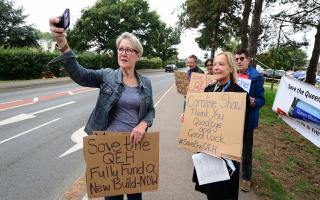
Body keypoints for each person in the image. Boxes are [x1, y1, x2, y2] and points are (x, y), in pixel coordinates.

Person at [49, 17, 155, 200]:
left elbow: (150, 110)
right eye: (120, 49)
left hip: (135, 151)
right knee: (113, 197)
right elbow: (80, 74)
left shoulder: (146, 83)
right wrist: (63, 43)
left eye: (128, 49)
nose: (123, 53)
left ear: (138, 54)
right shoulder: (107, 76)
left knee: (135, 197)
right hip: (109, 150)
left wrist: (143, 124)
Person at [182, 52, 249, 200]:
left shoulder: (240, 95)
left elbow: (242, 131)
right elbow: (200, 120)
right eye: (215, 65)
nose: (216, 68)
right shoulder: (208, 90)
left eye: (221, 64)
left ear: (231, 68)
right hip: (208, 154)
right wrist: (188, 119)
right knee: (210, 193)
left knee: (224, 195)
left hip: (226, 158)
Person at [235, 48, 265, 192]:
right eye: (236, 59)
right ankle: (231, 173)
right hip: (232, 118)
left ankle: (246, 178)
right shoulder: (232, 74)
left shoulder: (256, 76)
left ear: (248, 60)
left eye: (241, 58)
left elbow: (262, 99)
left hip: (247, 120)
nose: (239, 61)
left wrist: (254, 102)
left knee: (246, 151)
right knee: (231, 147)